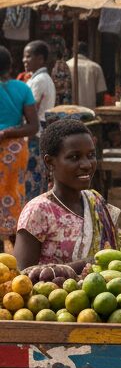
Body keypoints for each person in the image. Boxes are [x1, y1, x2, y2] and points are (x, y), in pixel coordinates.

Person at [14, 118, 119, 271]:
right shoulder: (39, 211)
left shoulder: (96, 201)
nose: (86, 165)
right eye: (74, 157)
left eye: (90, 155)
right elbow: (20, 276)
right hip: (52, 295)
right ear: (50, 162)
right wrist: (85, 265)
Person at [0, 46, 38, 245]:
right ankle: (17, 251)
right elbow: (33, 126)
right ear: (10, 65)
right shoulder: (23, 88)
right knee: (14, 195)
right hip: (15, 150)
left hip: (8, 148)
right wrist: (8, 133)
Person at [22, 40, 56, 202]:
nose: (24, 60)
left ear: (41, 59)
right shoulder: (40, 78)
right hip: (40, 131)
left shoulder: (40, 80)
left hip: (36, 133)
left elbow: (31, 110)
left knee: (33, 178)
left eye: (28, 56)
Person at [67, 42, 108, 109]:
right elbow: (100, 95)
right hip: (90, 113)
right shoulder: (96, 67)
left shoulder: (66, 66)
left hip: (70, 112)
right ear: (87, 52)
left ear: (73, 52)